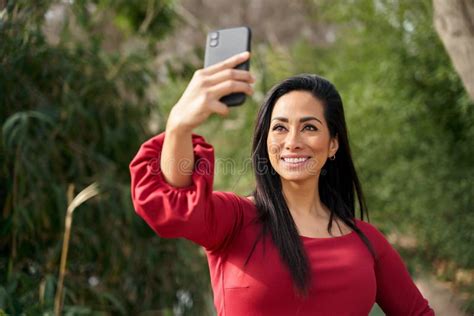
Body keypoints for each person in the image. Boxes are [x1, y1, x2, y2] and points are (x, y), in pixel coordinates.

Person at [129, 52, 435, 315]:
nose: (292, 142)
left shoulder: (366, 242)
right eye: (279, 128)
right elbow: (171, 204)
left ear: (333, 144)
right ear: (265, 142)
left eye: (310, 128)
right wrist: (179, 125)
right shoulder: (235, 220)